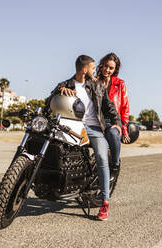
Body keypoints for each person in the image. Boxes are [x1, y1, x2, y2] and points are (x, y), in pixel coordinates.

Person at [45, 55, 121, 221]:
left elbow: (109, 106)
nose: (96, 71)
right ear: (85, 69)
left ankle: (105, 202)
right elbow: (48, 102)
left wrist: (117, 123)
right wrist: (59, 93)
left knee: (101, 157)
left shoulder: (97, 85)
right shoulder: (65, 85)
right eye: (93, 68)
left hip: (93, 128)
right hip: (72, 125)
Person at [96, 53, 130, 176]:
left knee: (112, 133)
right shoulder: (94, 81)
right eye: (105, 66)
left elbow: (125, 106)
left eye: (111, 68)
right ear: (101, 65)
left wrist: (124, 128)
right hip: (95, 120)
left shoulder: (119, 83)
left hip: (113, 121)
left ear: (115, 70)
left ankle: (115, 164)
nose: (107, 70)